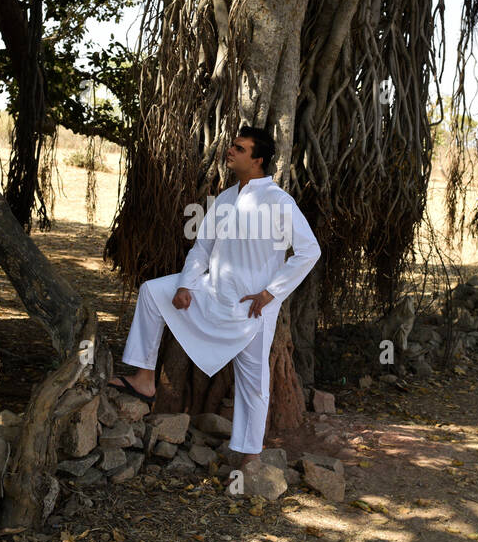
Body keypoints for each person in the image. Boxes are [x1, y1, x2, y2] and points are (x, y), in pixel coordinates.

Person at [110, 126, 320, 470]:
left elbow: (309, 251)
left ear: (258, 159)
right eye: (232, 146)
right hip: (211, 293)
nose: (230, 151)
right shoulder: (224, 198)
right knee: (151, 291)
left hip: (251, 308)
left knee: (253, 384)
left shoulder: (279, 201)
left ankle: (250, 456)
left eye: (239, 148)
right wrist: (185, 285)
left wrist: (271, 293)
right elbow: (203, 247)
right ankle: (145, 379)